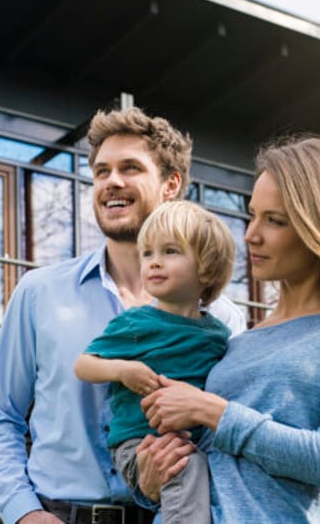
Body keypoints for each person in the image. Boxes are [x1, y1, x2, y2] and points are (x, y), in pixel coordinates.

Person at [0, 107, 246, 524]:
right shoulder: (39, 293)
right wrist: (23, 512)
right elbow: (0, 415)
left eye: (130, 168)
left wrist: (160, 485)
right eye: (101, 171)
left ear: (171, 184)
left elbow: (225, 434)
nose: (112, 182)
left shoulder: (222, 319)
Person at [134, 134, 320, 522]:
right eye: (252, 214)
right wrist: (150, 481)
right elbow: (207, 460)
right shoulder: (240, 340)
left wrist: (211, 410)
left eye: (275, 220)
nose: (251, 234)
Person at [74, 200, 236, 524]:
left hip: (196, 439)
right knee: (186, 467)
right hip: (139, 443)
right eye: (147, 253)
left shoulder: (220, 335)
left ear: (206, 267)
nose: (154, 263)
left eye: (170, 252)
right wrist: (122, 370)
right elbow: (83, 365)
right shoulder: (135, 324)